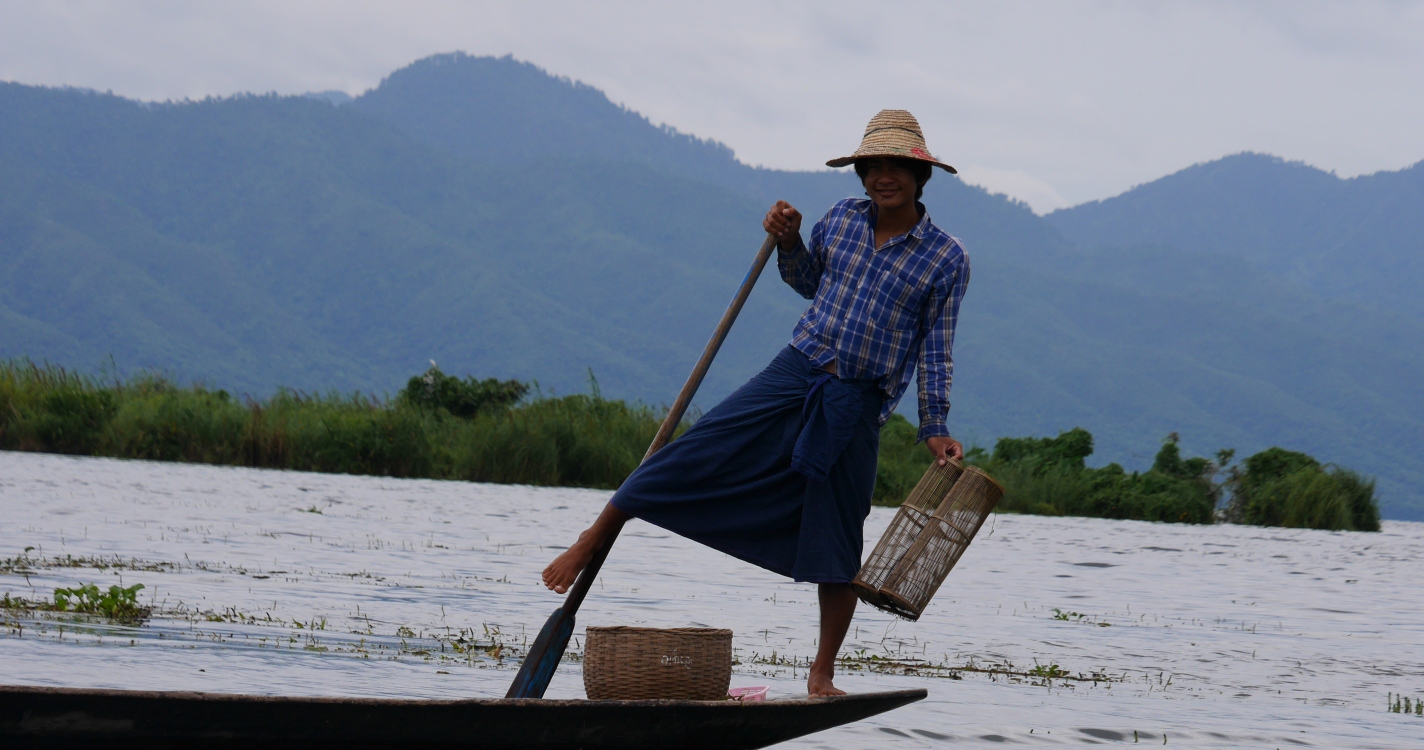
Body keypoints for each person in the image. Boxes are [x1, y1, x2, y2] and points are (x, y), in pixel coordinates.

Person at [543, 110, 971, 697]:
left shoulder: (946, 258)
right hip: (795, 371)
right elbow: (807, 280)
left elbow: (936, 349)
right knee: (695, 450)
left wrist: (935, 426)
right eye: (874, 166)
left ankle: (821, 674)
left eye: (897, 167)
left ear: (921, 177)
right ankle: (592, 537)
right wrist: (788, 241)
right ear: (862, 171)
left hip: (857, 401)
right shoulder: (841, 220)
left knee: (841, 536)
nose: (884, 176)